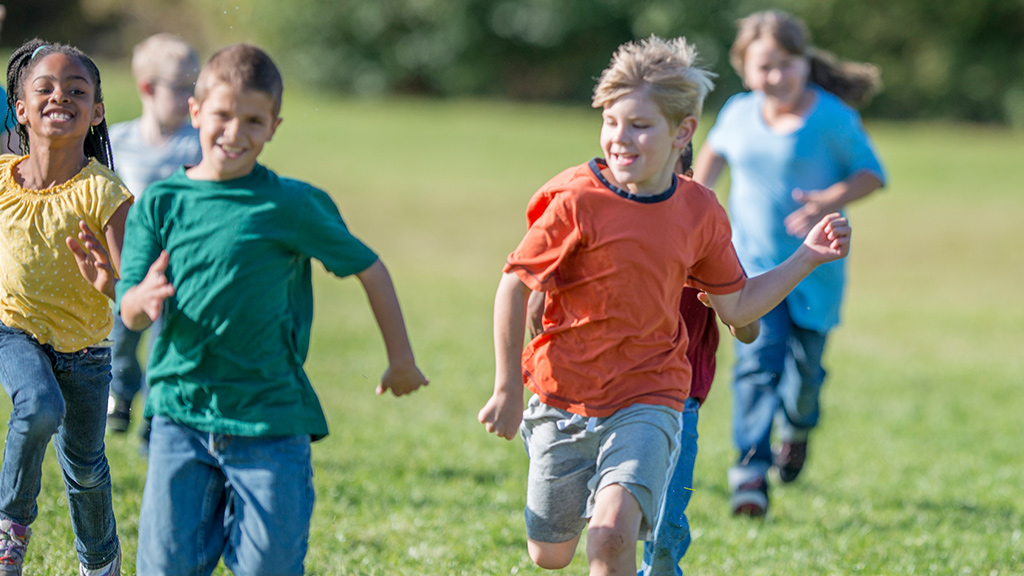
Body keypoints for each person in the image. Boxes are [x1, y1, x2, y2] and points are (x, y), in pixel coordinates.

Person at [479, 35, 851, 576]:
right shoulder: (576, 200)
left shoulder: (699, 210)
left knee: (610, 536)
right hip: (564, 398)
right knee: (550, 555)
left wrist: (806, 257)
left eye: (639, 125)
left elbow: (738, 307)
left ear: (683, 132)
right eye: (611, 122)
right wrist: (508, 388)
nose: (619, 137)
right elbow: (514, 286)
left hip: (651, 397)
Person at [110, 44, 428, 575]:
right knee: (165, 568)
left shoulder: (292, 205)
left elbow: (370, 268)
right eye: (222, 115)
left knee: (270, 568)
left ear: (274, 126)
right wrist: (139, 300)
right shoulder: (160, 204)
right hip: (180, 416)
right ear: (195, 112)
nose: (235, 132)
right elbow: (130, 309)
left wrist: (401, 360)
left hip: (271, 421)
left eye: (253, 120)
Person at [692, 10, 887, 517]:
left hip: (816, 273)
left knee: (804, 378)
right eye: (764, 66)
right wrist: (686, 213)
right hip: (751, 270)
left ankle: (797, 429)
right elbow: (705, 171)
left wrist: (828, 199)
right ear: (743, 68)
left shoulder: (832, 118)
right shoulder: (737, 114)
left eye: (786, 64)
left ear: (805, 62)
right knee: (756, 366)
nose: (776, 76)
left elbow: (872, 174)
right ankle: (749, 475)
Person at [0, 39, 130, 576]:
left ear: (96, 111)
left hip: (86, 352)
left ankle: (99, 563)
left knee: (85, 468)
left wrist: (108, 281)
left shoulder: (105, 193)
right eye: (46, 89)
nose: (61, 97)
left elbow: (133, 287)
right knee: (38, 406)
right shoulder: (1, 181)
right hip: (13, 330)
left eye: (77, 91)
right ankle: (9, 530)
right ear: (20, 109)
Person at [638, 146, 760, 576]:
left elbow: (746, 326)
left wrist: (730, 311)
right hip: (614, 395)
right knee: (611, 520)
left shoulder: (704, 235)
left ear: (688, 174)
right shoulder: (609, 223)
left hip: (680, 397)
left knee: (664, 528)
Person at [105, 33, 202, 451]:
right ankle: (121, 390)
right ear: (147, 88)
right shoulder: (118, 141)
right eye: (180, 88)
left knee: (166, 341)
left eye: (194, 86)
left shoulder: (198, 142)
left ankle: (155, 417)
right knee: (121, 335)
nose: (190, 98)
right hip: (128, 262)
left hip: (180, 266)